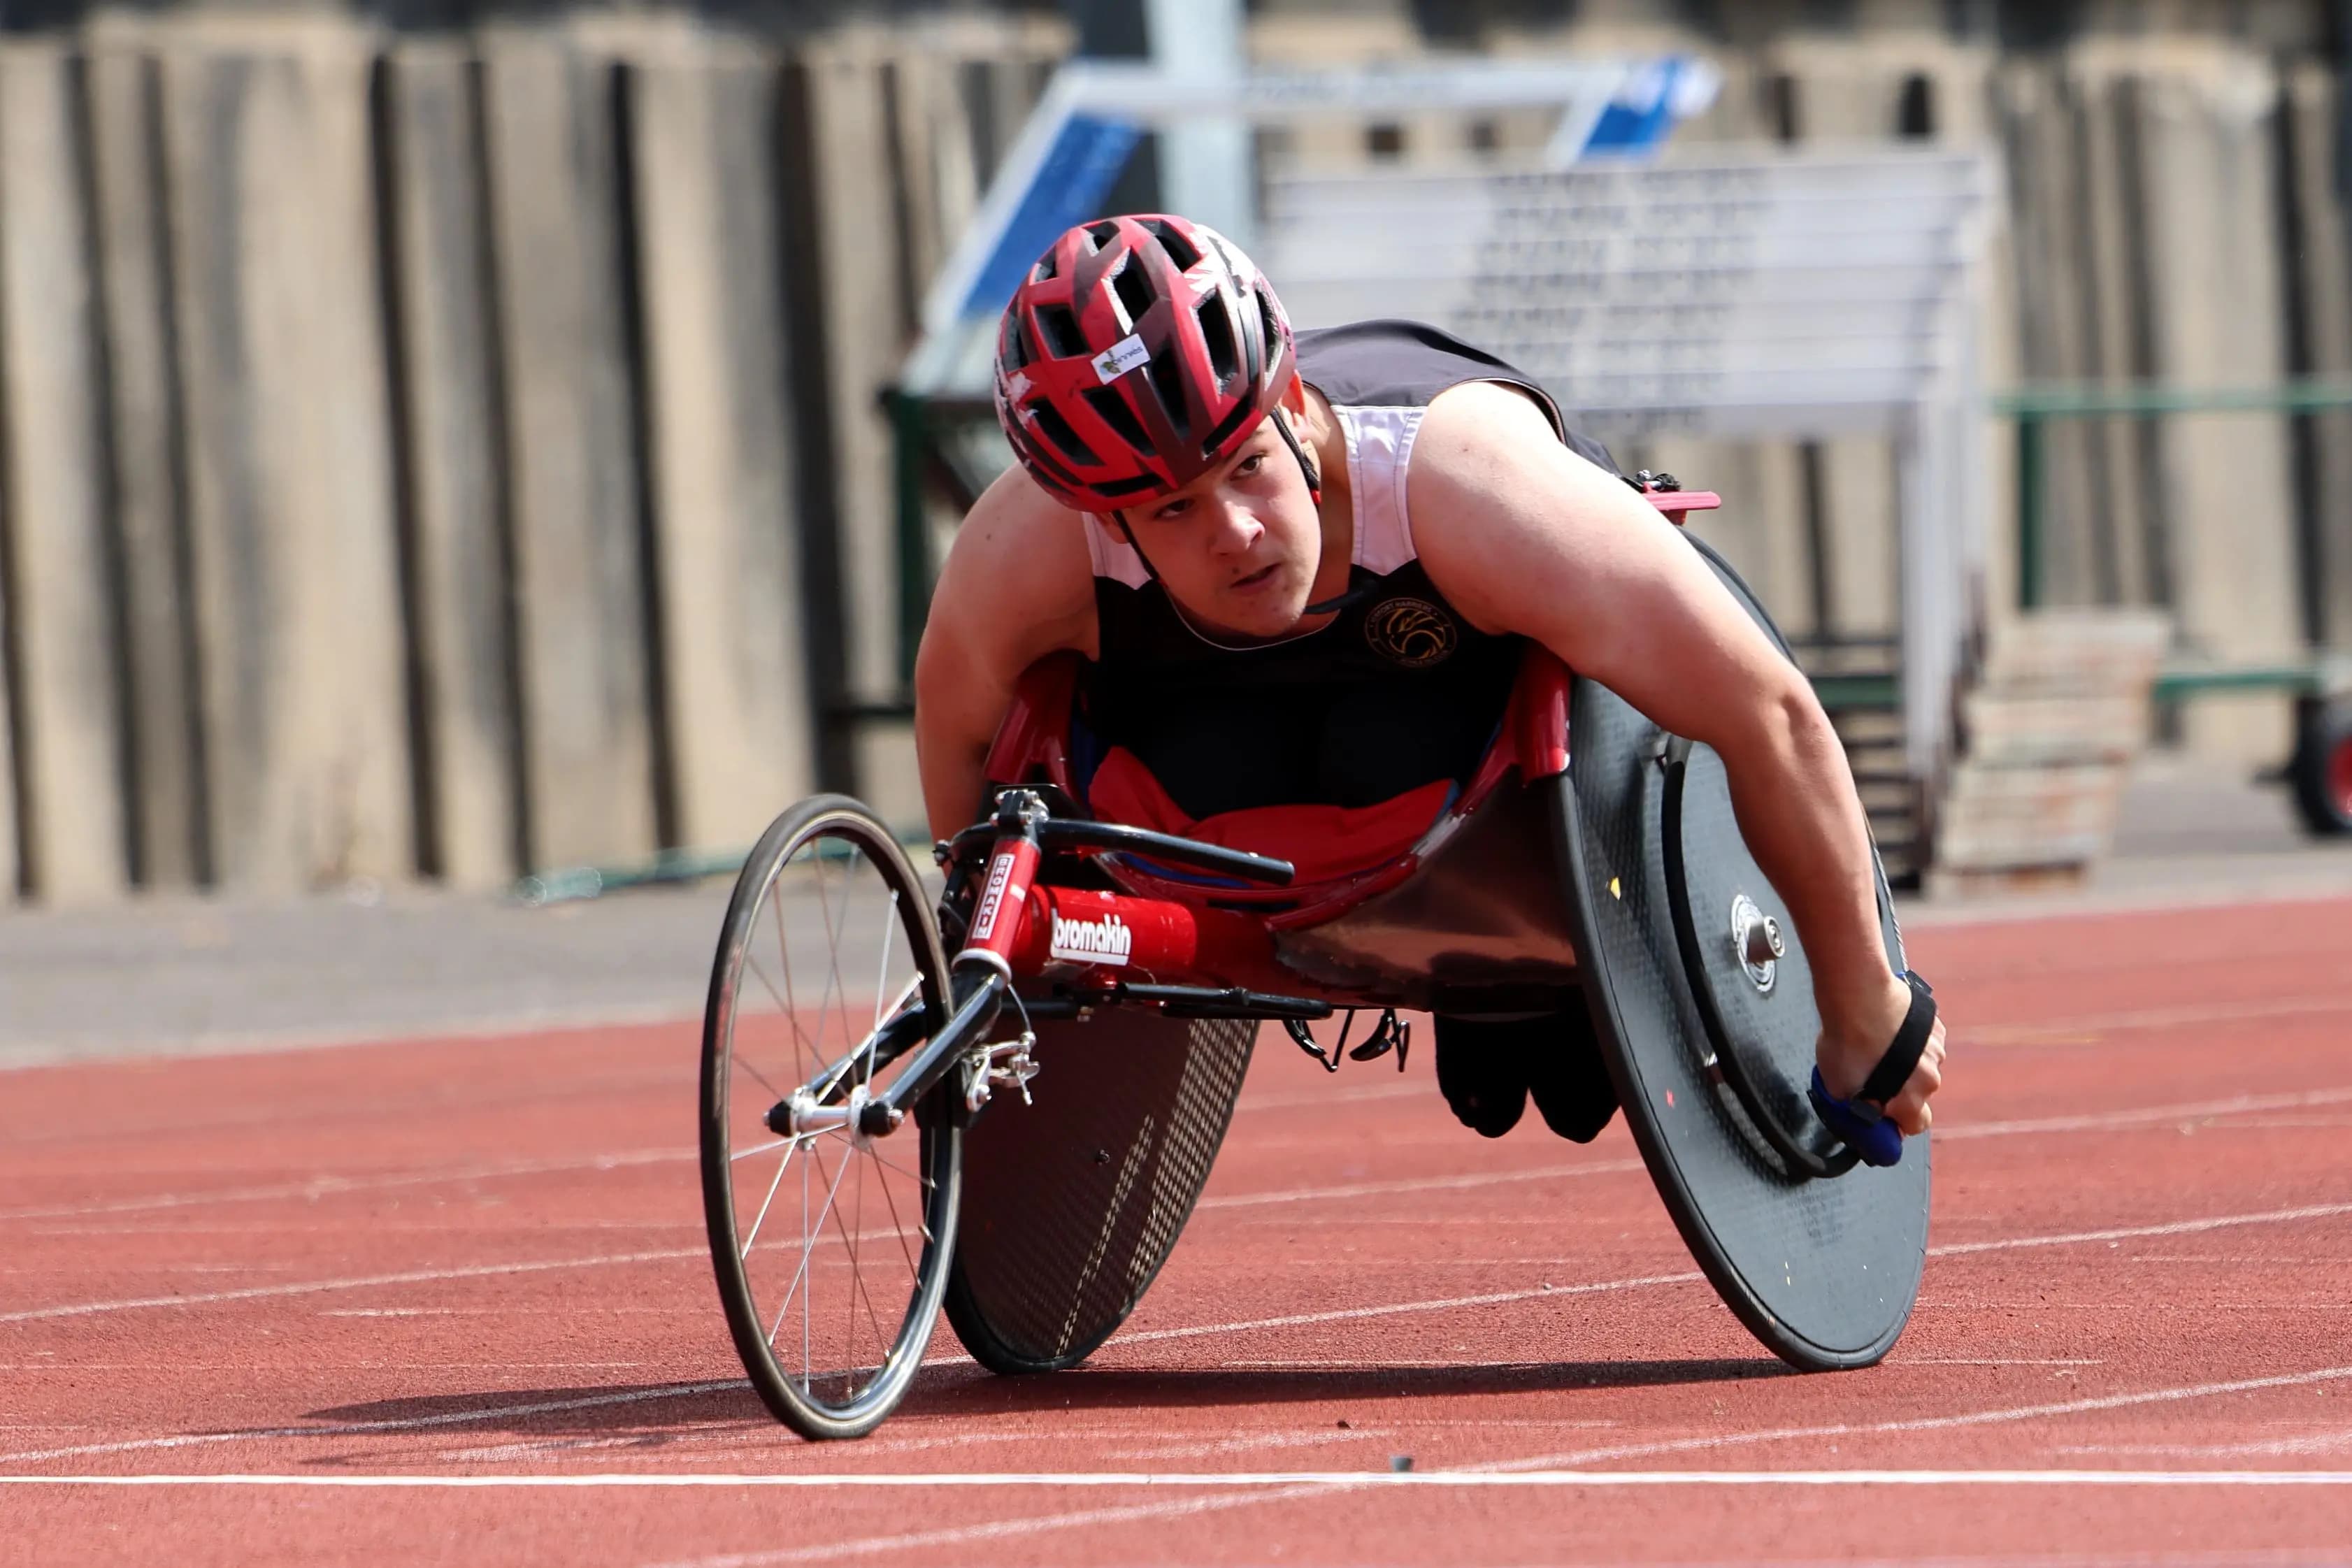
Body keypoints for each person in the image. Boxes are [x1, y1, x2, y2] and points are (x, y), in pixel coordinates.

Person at [913, 213, 1945, 1151]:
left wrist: (1865, 1007)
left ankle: (1531, 947)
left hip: (1477, 759)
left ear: (1288, 410)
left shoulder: (1467, 485)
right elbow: (959, 740)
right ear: (1109, 521)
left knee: (1381, 746)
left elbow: (1766, 709)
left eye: (1245, 468)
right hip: (1214, 772)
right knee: (1209, 758)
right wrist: (987, 983)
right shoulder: (1027, 552)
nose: (1234, 532)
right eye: (1173, 511)